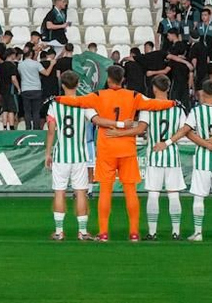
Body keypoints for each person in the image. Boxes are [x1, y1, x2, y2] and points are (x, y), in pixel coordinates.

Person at [52, 63, 168, 241]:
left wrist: (58, 99)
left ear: (108, 79)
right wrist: (173, 103)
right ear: (123, 79)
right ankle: (134, 232)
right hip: (127, 149)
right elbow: (154, 104)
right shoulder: (134, 96)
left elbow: (78, 101)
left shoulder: (99, 95)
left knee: (105, 191)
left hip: (106, 149)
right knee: (130, 191)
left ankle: (104, 232)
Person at [169, 77, 212, 241]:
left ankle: (198, 233)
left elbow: (186, 130)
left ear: (202, 93)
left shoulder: (196, 112)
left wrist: (169, 141)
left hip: (202, 161)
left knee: (199, 196)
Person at [44, 69, 93, 241]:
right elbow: (95, 120)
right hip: (79, 155)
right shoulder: (84, 104)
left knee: (59, 192)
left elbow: (51, 131)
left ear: (62, 85)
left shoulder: (55, 105)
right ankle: (82, 231)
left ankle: (59, 231)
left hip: (61, 155)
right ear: (78, 84)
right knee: (81, 192)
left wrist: (48, 153)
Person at [139, 77, 186, 239]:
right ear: (168, 88)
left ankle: (152, 232)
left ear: (154, 88)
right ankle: (176, 232)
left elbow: (141, 129)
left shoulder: (148, 108)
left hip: (154, 156)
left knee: (153, 194)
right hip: (172, 156)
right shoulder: (177, 109)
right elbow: (184, 130)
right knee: (173, 194)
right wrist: (168, 142)